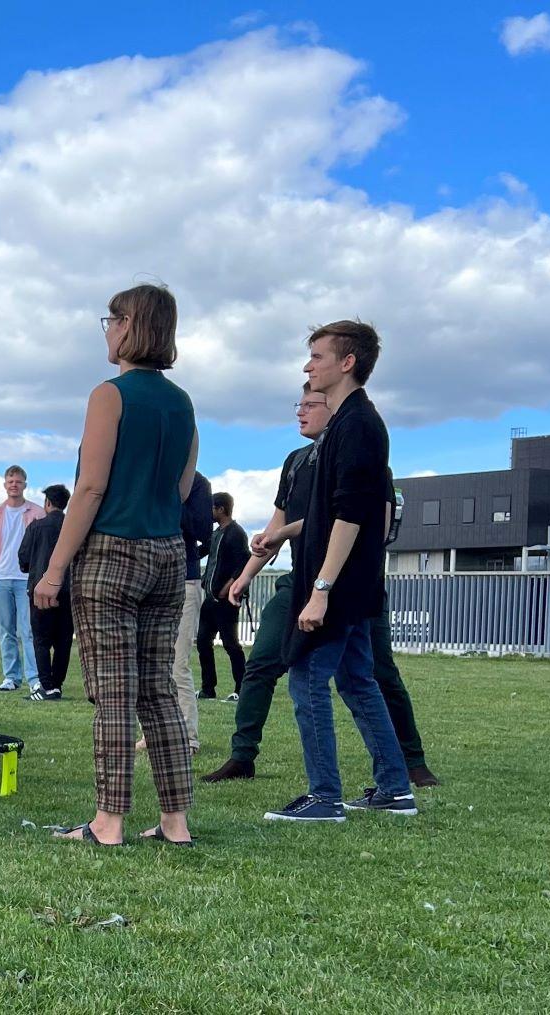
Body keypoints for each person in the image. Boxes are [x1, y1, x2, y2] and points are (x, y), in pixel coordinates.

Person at [203, 385, 440, 787]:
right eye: (300, 404)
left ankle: (410, 762)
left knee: (376, 674)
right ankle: (242, 757)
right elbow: (275, 528)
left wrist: (292, 542)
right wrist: (245, 575)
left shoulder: (364, 455)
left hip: (353, 585)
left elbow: (362, 524)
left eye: (310, 404)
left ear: (334, 407)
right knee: (261, 665)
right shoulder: (295, 462)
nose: (301, 412)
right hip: (299, 583)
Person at [35, 283, 198, 847]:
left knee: (113, 694)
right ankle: (175, 822)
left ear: (128, 325)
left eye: (111, 320)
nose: (107, 330)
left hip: (111, 553)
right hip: (168, 552)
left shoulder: (109, 395)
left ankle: (108, 822)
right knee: (158, 690)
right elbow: (182, 488)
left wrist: (54, 569)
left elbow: (90, 488)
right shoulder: (182, 402)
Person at [263, 321, 416, 822]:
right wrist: (284, 535)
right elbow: (331, 514)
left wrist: (321, 589)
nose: (308, 366)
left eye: (317, 356)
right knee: (356, 681)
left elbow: (351, 516)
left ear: (347, 363)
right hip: (349, 584)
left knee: (306, 679)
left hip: (340, 586)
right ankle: (395, 790)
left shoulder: (358, 425)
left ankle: (325, 796)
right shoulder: (346, 424)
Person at [138, 471, 211, 752]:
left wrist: (171, 496)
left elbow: (203, 530)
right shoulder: (144, 476)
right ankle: (151, 733)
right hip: (144, 577)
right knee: (145, 662)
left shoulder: (197, 483)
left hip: (184, 579)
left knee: (178, 662)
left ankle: (188, 736)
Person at [0, 466, 45, 692]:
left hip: (27, 579)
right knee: (6, 630)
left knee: (29, 630)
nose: (14, 485)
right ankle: (11, 677)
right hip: (0, 579)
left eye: (18, 481)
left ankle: (34, 678)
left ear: (25, 485)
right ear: (5, 485)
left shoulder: (37, 512)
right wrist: (0, 564)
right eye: (10, 481)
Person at [19, 484, 73, 701]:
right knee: (63, 641)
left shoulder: (36, 527)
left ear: (47, 503)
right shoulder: (73, 527)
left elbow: (23, 559)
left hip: (40, 590)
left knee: (41, 640)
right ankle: (57, 685)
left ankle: (46, 686)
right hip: (68, 590)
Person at [196, 492, 250, 701]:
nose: (209, 512)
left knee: (231, 644)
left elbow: (243, 562)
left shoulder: (236, 533)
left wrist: (228, 588)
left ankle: (241, 689)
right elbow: (201, 551)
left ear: (221, 509)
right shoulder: (215, 534)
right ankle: (208, 689)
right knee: (203, 642)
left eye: (212, 508)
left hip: (226, 600)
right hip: (210, 599)